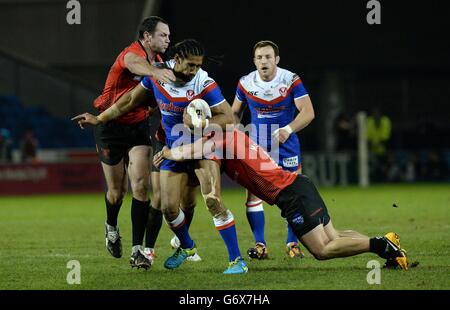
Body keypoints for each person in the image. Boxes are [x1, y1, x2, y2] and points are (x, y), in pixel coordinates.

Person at [74, 39, 247, 275]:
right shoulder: (157, 76)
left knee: (212, 200)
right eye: (190, 65)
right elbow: (130, 100)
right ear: (176, 60)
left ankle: (237, 260)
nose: (193, 70)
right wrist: (100, 118)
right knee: (167, 208)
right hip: (172, 149)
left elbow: (228, 118)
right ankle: (187, 246)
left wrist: (204, 122)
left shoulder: (203, 82)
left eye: (197, 66)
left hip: (202, 148)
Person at [153, 126, 410, 270]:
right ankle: (387, 243)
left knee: (321, 251)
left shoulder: (222, 137)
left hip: (290, 194)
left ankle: (381, 246)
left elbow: (194, 150)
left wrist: (169, 152)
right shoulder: (230, 136)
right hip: (299, 185)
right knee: (334, 236)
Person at [73, 16, 175, 269]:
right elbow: (135, 64)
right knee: (117, 193)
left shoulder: (162, 64)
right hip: (108, 125)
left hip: (138, 128)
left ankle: (137, 251)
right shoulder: (132, 54)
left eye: (169, 35)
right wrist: (156, 72)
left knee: (141, 186)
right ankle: (111, 228)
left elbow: (155, 99)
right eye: (163, 35)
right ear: (147, 36)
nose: (168, 39)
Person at [231, 40, 315, 259]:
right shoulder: (246, 83)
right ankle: (260, 245)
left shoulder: (290, 80)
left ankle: (292, 244)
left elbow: (308, 112)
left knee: (294, 198)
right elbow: (234, 114)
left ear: (277, 59)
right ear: (254, 61)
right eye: (259, 57)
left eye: (268, 57)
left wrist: (288, 128)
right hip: (257, 150)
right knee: (253, 197)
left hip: (287, 149)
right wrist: (233, 133)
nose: (263, 61)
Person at [367, 107, 392, 182]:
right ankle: (374, 181)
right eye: (374, 114)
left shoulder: (385, 121)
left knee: (384, 167)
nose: (376, 116)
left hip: (384, 151)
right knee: (372, 167)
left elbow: (385, 139)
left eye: (378, 114)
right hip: (372, 151)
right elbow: (368, 138)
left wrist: (377, 145)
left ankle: (386, 180)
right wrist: (372, 146)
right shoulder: (369, 121)